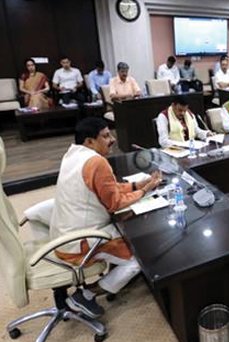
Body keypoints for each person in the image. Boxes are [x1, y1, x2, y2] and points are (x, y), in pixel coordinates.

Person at [50, 117, 161, 317]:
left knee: (128, 236)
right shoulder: (97, 162)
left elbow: (108, 188)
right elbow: (115, 203)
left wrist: (136, 185)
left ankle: (111, 274)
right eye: (106, 136)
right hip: (79, 242)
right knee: (140, 256)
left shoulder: (72, 154)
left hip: (63, 234)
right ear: (90, 141)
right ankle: (86, 295)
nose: (112, 140)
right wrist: (145, 190)